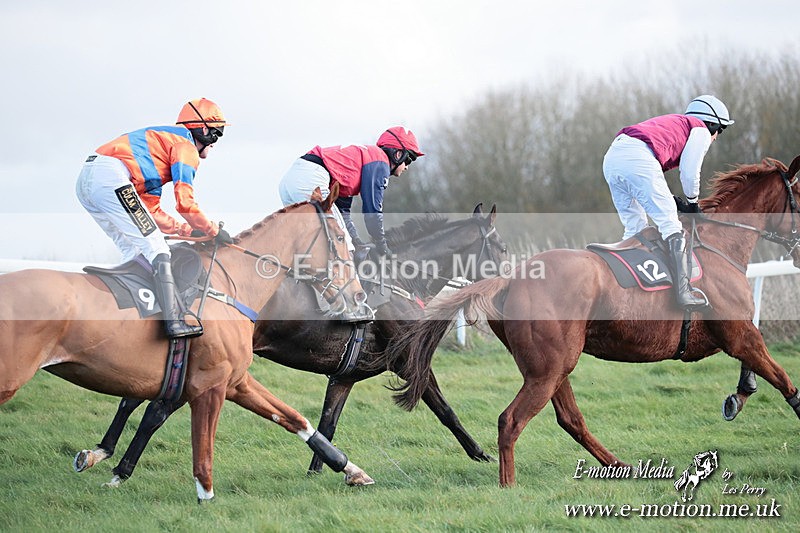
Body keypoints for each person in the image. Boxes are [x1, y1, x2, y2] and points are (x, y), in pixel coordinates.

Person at [76, 98, 233, 339]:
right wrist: (213, 230)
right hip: (110, 177)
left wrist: (187, 231)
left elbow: (151, 212)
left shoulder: (159, 151)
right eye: (217, 135)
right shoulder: (186, 147)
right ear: (204, 130)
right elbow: (185, 203)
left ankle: (130, 317)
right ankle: (174, 322)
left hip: (90, 180)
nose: (213, 145)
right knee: (158, 248)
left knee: (135, 250)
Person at [602, 95, 734, 310]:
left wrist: (676, 201)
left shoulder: (677, 125)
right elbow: (690, 174)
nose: (716, 138)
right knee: (671, 225)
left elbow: (648, 182)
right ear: (711, 124)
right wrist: (692, 203)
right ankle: (684, 292)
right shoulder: (700, 130)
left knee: (635, 229)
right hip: (637, 157)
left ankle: (626, 290)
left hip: (612, 158)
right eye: (720, 130)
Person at [278, 126, 424, 257]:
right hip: (311, 178)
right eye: (409, 160)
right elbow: (372, 212)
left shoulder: (357, 165)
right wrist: (382, 245)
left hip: (291, 180)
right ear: (398, 154)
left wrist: (357, 241)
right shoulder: (381, 163)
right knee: (343, 245)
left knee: (313, 245)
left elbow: (343, 214)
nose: (407, 167)